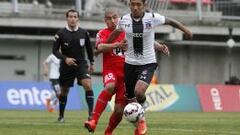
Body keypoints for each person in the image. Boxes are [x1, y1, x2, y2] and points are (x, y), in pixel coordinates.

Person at [106, 0, 193, 134]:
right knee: (131, 100)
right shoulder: (124, 20)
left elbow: (170, 21)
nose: (135, 7)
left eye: (138, 5)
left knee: (139, 92)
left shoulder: (152, 18)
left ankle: (143, 110)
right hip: (129, 64)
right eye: (133, 4)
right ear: (129, 5)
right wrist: (107, 43)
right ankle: (141, 124)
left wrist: (185, 30)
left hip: (148, 63)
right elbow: (116, 33)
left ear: (144, 6)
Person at [84, 9, 170, 135]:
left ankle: (108, 132)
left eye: (114, 17)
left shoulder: (128, 31)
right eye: (109, 18)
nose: (112, 21)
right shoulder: (102, 33)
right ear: (105, 20)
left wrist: (160, 46)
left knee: (119, 110)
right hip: (111, 71)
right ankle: (93, 121)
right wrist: (116, 45)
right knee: (110, 86)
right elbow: (99, 47)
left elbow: (147, 40)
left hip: (127, 75)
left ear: (119, 18)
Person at [52, 9, 95, 122]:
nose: (72, 19)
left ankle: (91, 115)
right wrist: (65, 59)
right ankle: (61, 116)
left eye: (75, 17)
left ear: (78, 19)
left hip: (81, 64)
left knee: (88, 84)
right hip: (66, 66)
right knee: (64, 91)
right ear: (67, 18)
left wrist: (92, 62)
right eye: (70, 17)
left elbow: (89, 49)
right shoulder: (60, 34)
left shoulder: (84, 33)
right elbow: (55, 51)